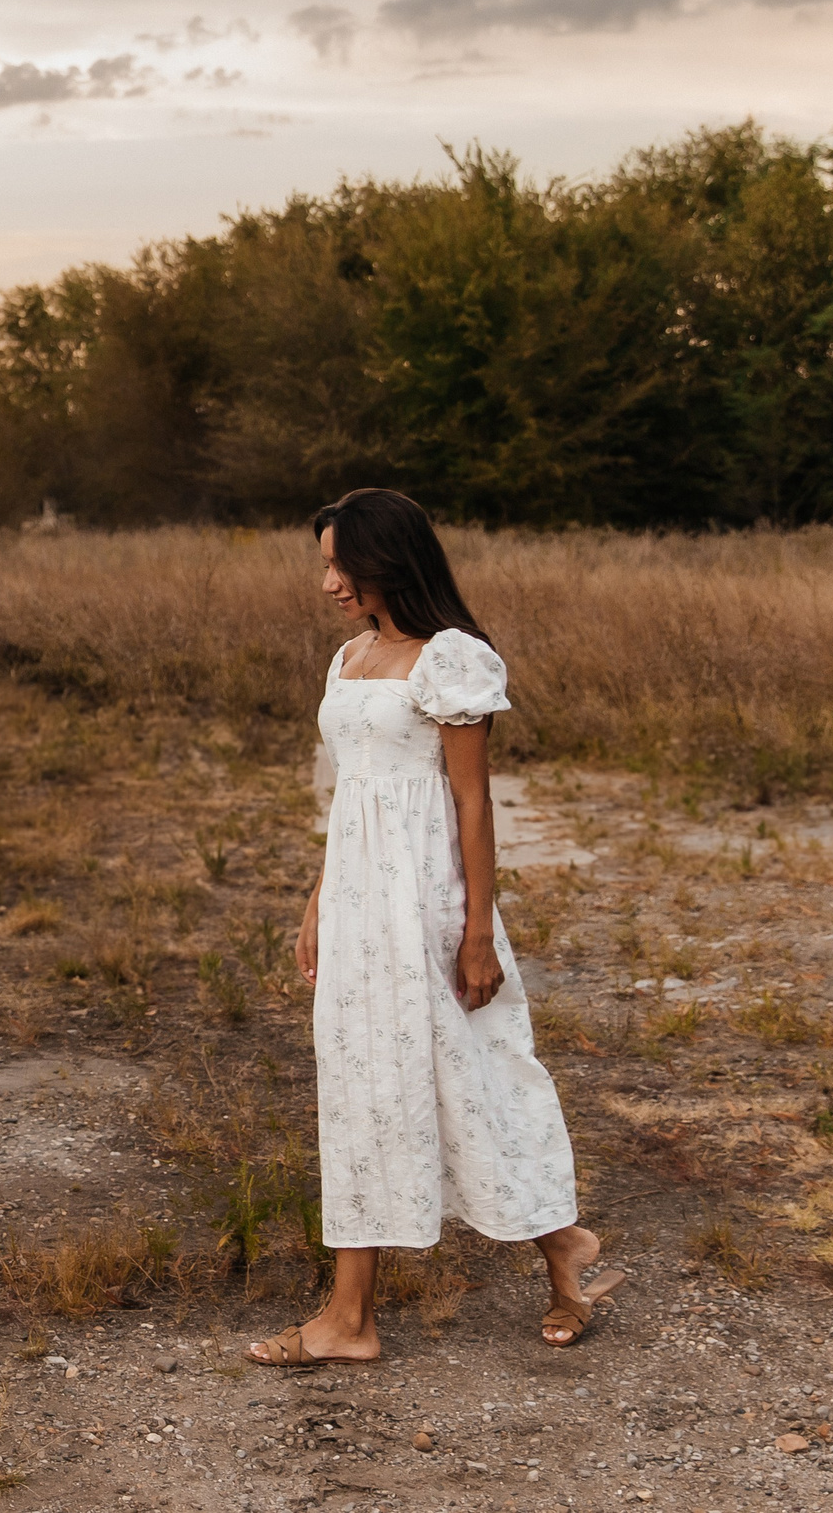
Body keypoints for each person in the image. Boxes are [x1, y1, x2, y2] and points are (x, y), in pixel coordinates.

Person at [246, 488, 624, 1367]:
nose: (330, 583)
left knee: (470, 1076)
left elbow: (471, 800)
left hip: (428, 903)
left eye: (342, 564)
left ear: (388, 558)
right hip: (356, 903)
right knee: (363, 1086)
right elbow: (353, 796)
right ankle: (353, 1315)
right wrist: (318, 899)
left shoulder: (451, 658)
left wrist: (478, 933)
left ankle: (555, 1244)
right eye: (325, 565)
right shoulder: (349, 657)